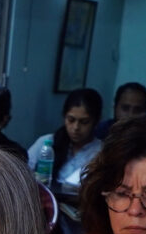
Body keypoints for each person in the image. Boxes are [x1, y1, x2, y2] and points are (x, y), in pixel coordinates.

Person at [28, 88, 103, 225]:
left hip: (80, 220)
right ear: (64, 117)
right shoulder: (47, 143)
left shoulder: (101, 151)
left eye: (84, 122)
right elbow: (21, 172)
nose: (76, 127)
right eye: (71, 120)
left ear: (96, 121)